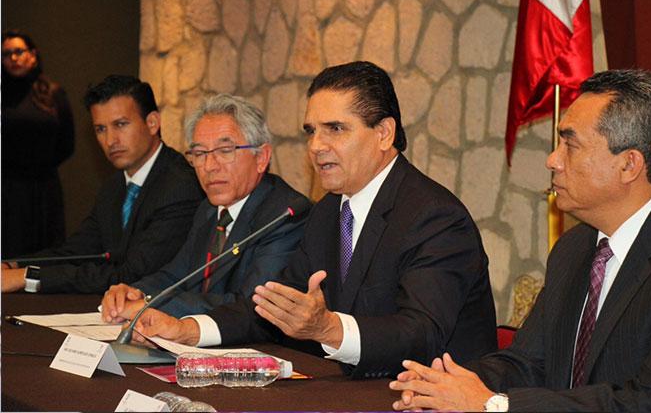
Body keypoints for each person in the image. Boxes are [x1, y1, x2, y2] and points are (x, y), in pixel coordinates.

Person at [131, 61, 498, 379]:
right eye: (311, 131)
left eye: (335, 129)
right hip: (356, 391)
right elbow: (276, 303)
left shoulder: (434, 216)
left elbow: (422, 334)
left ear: (384, 134)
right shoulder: (328, 210)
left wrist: (328, 328)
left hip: (431, 398)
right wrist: (188, 330)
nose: (316, 146)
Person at [390, 69, 651, 412]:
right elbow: (527, 363)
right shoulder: (574, 247)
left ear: (629, 165)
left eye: (570, 145)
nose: (552, 160)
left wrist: (495, 405)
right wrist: (443, 384)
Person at [100, 94, 311, 320]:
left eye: (225, 151)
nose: (209, 166)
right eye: (200, 153)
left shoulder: (284, 216)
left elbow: (252, 305)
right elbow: (176, 276)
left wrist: (153, 306)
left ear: (261, 157)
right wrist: (135, 292)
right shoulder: (208, 210)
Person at [1, 75, 205, 294]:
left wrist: (27, 277)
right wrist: (13, 265)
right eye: (100, 129)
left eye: (120, 125)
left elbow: (130, 276)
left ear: (152, 123)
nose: (110, 140)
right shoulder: (114, 186)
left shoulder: (181, 186)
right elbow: (75, 253)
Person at [2, 30, 74, 256]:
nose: (13, 58)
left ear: (33, 55)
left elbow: (67, 143)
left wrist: (41, 165)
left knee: (46, 252)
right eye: (6, 54)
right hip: (7, 188)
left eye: (19, 51)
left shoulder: (53, 93)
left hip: (44, 187)